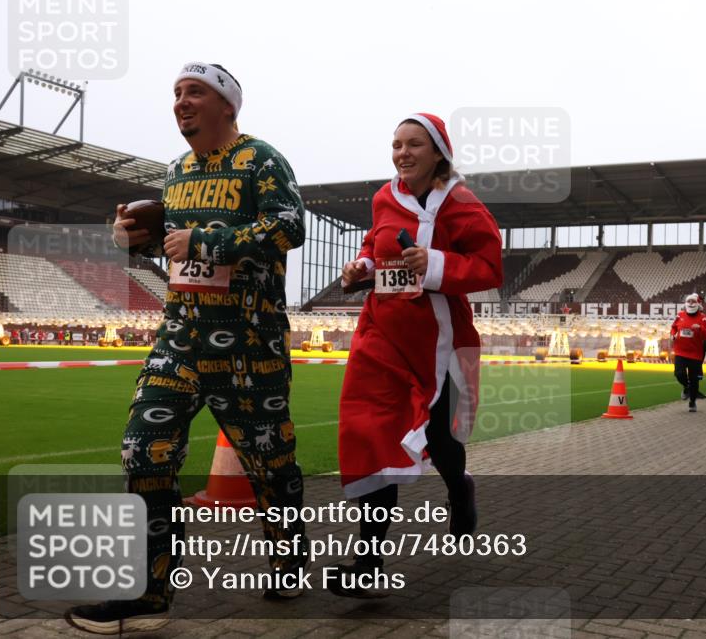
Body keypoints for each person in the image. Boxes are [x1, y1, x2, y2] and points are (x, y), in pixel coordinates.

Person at [66, 62, 308, 634]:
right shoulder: (175, 171)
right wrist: (133, 239)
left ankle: (290, 561)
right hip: (179, 339)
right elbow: (172, 247)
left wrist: (207, 241)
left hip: (250, 345)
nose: (181, 101)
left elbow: (290, 226)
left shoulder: (262, 160)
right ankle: (150, 590)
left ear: (227, 105)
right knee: (142, 450)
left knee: (270, 467)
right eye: (176, 92)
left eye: (195, 91)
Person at [329, 113, 503, 597]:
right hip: (381, 336)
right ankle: (368, 563)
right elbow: (375, 245)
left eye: (414, 145)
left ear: (438, 152)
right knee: (371, 432)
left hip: (439, 342)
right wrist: (362, 266)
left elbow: (490, 267)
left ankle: (459, 487)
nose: (402, 154)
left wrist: (436, 264)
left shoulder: (463, 205)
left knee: (444, 443)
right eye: (396, 145)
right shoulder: (383, 198)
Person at [671, 293, 706, 413]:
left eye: (693, 301)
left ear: (698, 304)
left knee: (695, 379)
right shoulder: (680, 315)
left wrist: (699, 329)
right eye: (689, 301)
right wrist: (672, 335)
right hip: (680, 351)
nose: (691, 303)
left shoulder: (703, 318)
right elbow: (673, 327)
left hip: (695, 354)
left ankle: (692, 402)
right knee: (679, 373)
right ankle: (686, 387)